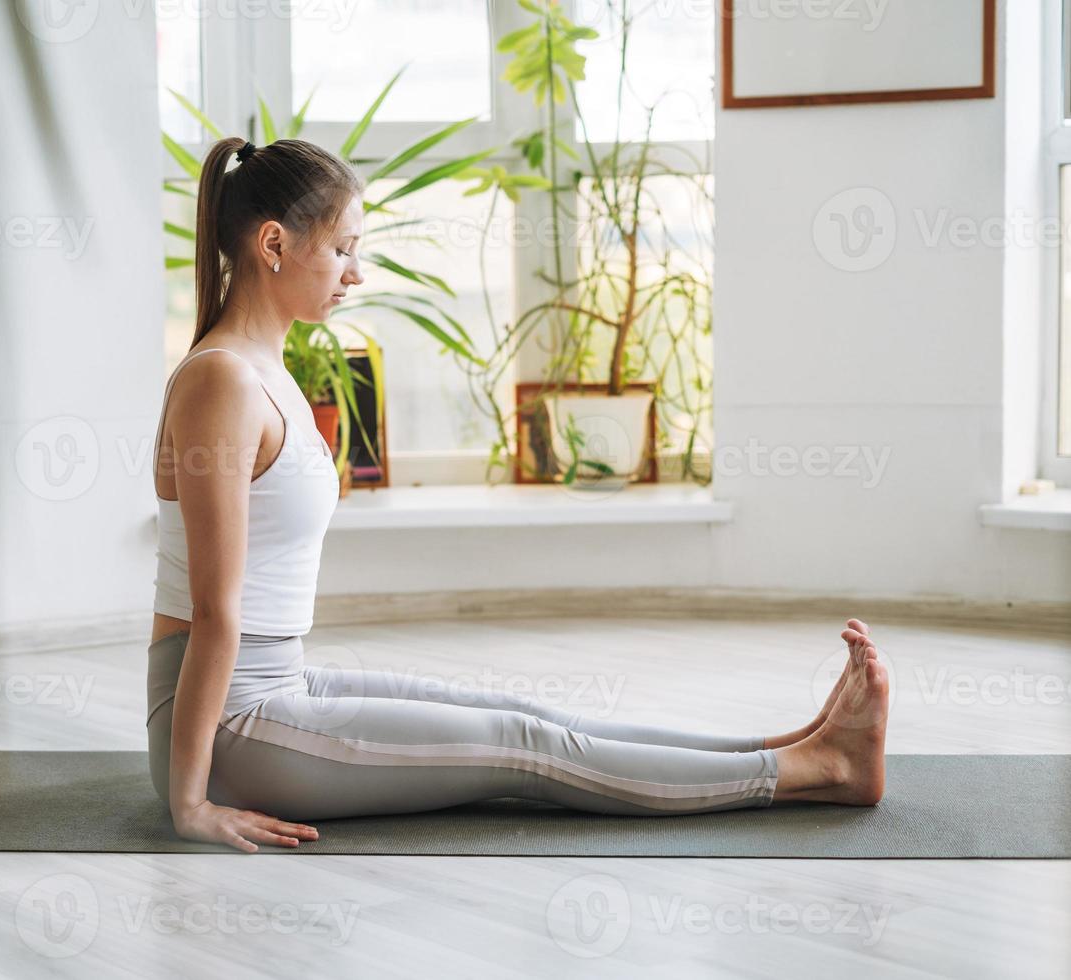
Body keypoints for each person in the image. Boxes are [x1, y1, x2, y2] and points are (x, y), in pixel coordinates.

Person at [146, 136, 890, 854]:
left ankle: (791, 746)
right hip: (226, 727)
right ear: (273, 245)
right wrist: (190, 804)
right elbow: (215, 610)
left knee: (524, 713)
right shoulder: (223, 381)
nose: (356, 272)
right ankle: (817, 772)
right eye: (342, 249)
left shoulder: (261, 370)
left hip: (278, 684)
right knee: (525, 748)